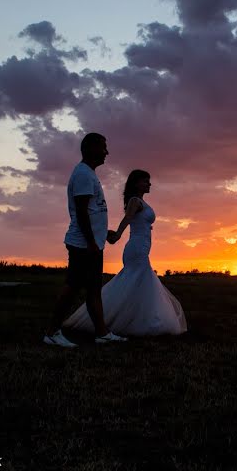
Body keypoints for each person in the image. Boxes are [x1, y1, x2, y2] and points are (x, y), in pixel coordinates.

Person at [62, 169, 187, 336]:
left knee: (137, 283)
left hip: (141, 246)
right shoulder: (135, 201)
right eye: (145, 181)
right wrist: (118, 235)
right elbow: (128, 218)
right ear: (136, 183)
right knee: (139, 280)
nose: (149, 184)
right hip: (136, 248)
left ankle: (136, 318)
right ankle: (132, 321)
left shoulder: (140, 202)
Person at [44, 133, 127, 347]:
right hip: (83, 245)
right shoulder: (83, 174)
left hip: (92, 243)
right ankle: (52, 332)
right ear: (90, 148)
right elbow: (80, 212)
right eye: (103, 147)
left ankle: (102, 333)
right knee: (72, 287)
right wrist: (91, 241)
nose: (107, 152)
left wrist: (102, 232)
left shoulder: (88, 174)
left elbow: (92, 210)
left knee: (93, 289)